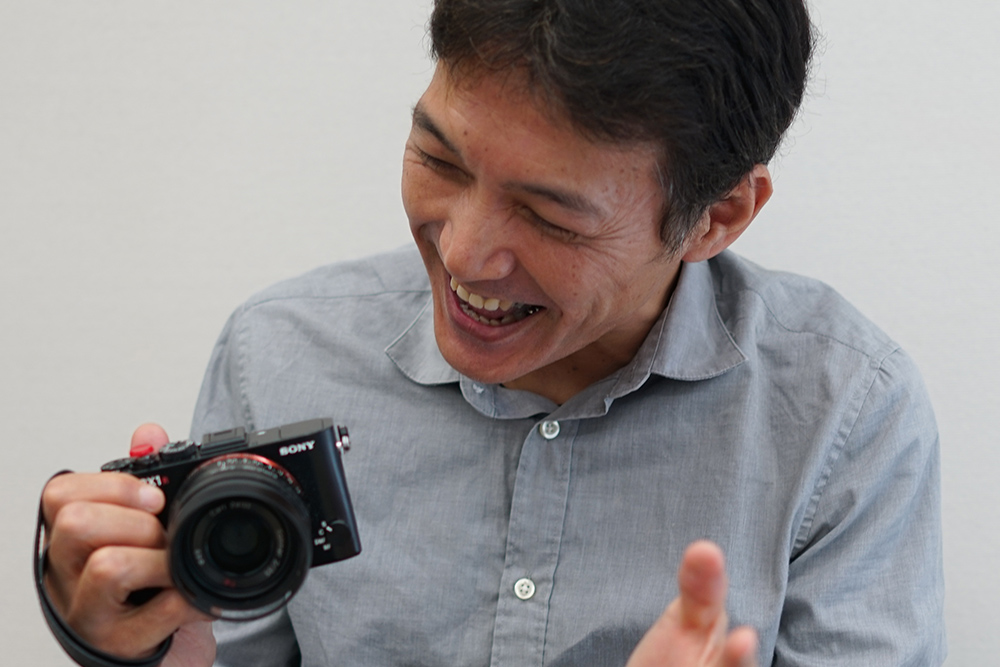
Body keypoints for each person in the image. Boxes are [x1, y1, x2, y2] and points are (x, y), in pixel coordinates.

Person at [38, 0, 946, 665]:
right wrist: (137, 640)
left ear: (718, 216)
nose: (464, 252)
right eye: (439, 158)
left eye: (549, 216)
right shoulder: (277, 351)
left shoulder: (844, 417)